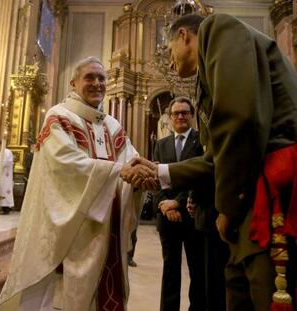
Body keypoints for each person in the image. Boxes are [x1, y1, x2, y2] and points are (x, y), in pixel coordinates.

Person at [126, 14, 297, 310]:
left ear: (184, 35)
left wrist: (227, 208)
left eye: (169, 51)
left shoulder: (217, 29)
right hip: (249, 192)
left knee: (269, 294)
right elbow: (214, 157)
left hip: (271, 195)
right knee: (239, 290)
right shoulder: (205, 80)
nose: (168, 63)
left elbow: (239, 122)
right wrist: (160, 171)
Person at [0, 57, 156, 311]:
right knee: (66, 295)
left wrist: (143, 176)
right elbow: (64, 164)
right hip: (72, 227)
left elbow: (130, 160)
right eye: (89, 78)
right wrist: (119, 172)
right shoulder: (59, 116)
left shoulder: (111, 125)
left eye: (101, 79)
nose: (97, 84)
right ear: (73, 83)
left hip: (108, 227)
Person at [153, 97, 206, 311]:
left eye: (185, 112)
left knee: (197, 271)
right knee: (170, 270)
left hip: (192, 215)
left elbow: (201, 175)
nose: (180, 117)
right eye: (176, 113)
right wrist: (163, 204)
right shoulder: (161, 144)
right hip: (167, 218)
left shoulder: (201, 140)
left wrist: (178, 202)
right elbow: (156, 177)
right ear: (170, 118)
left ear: (192, 116)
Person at [0, 139, 14, 215]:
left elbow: (9, 161)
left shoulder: (8, 152)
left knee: (5, 190)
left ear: (2, 145)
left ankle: (6, 208)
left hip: (5, 175)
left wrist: (0, 165)